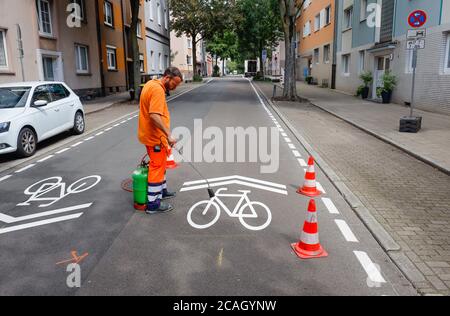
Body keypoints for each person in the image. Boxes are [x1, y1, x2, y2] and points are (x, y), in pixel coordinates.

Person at [138, 67, 183, 214]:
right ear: (167, 77)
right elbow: (154, 115)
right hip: (155, 138)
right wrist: (168, 135)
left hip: (152, 136)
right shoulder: (157, 90)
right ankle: (153, 204)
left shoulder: (151, 84)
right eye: (174, 84)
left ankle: (162, 191)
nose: (175, 87)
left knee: (160, 166)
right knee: (156, 169)